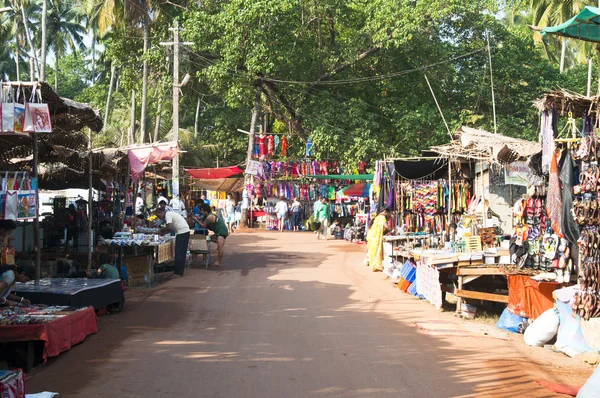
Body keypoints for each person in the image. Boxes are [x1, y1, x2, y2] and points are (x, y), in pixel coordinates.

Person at [155, 208, 190, 277]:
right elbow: (170, 229)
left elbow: (170, 227)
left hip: (182, 232)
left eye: (159, 216)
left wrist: (161, 230)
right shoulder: (170, 214)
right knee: (181, 252)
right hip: (184, 231)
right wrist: (163, 232)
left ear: (162, 212)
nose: (159, 218)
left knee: (179, 252)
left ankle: (178, 272)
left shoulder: (168, 215)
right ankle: (179, 271)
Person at [365, 207, 393, 272]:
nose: (389, 215)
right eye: (389, 213)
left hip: (372, 235)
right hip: (375, 236)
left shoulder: (378, 217)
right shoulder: (382, 217)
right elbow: (386, 226)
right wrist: (391, 229)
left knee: (373, 251)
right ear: (385, 212)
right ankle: (376, 266)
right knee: (377, 250)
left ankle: (374, 265)